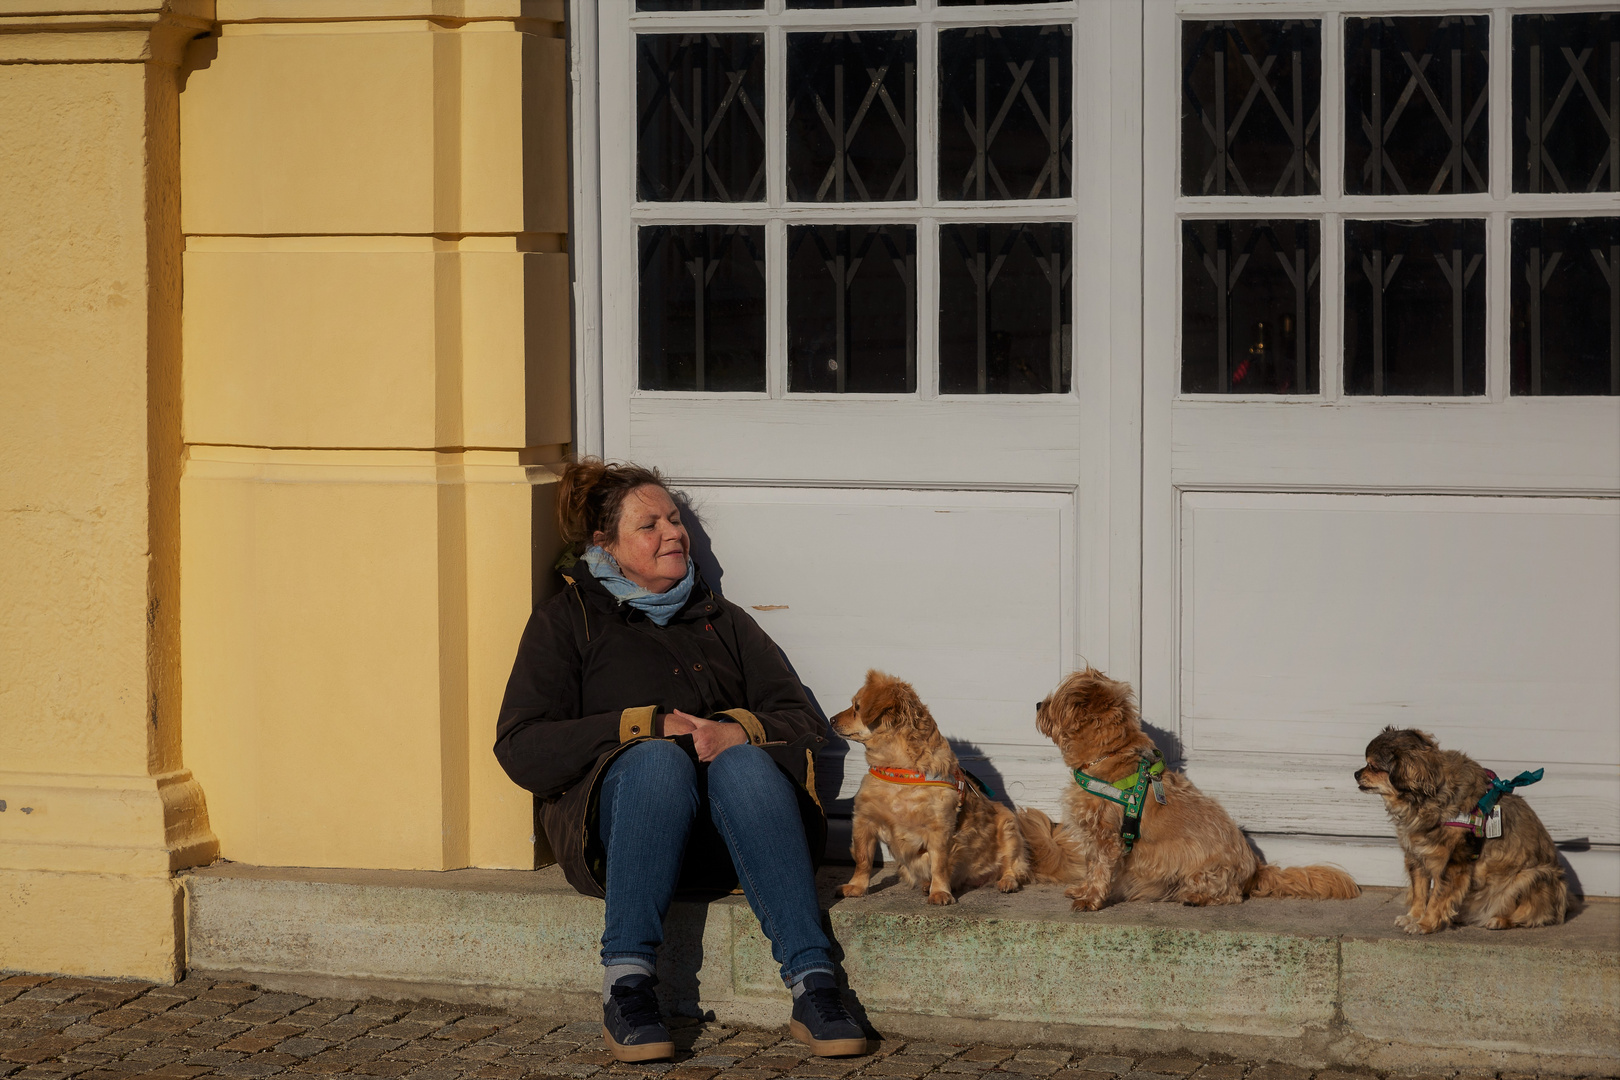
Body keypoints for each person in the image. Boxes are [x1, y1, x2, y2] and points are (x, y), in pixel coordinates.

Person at [494, 459, 868, 1062]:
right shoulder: (568, 622)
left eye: (675, 519)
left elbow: (800, 719)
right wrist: (639, 727)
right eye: (650, 525)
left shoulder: (721, 619)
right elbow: (520, 745)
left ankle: (815, 986)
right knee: (657, 763)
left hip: (731, 844)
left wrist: (735, 730)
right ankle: (629, 988)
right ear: (605, 545)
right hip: (622, 840)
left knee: (744, 763)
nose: (672, 532)